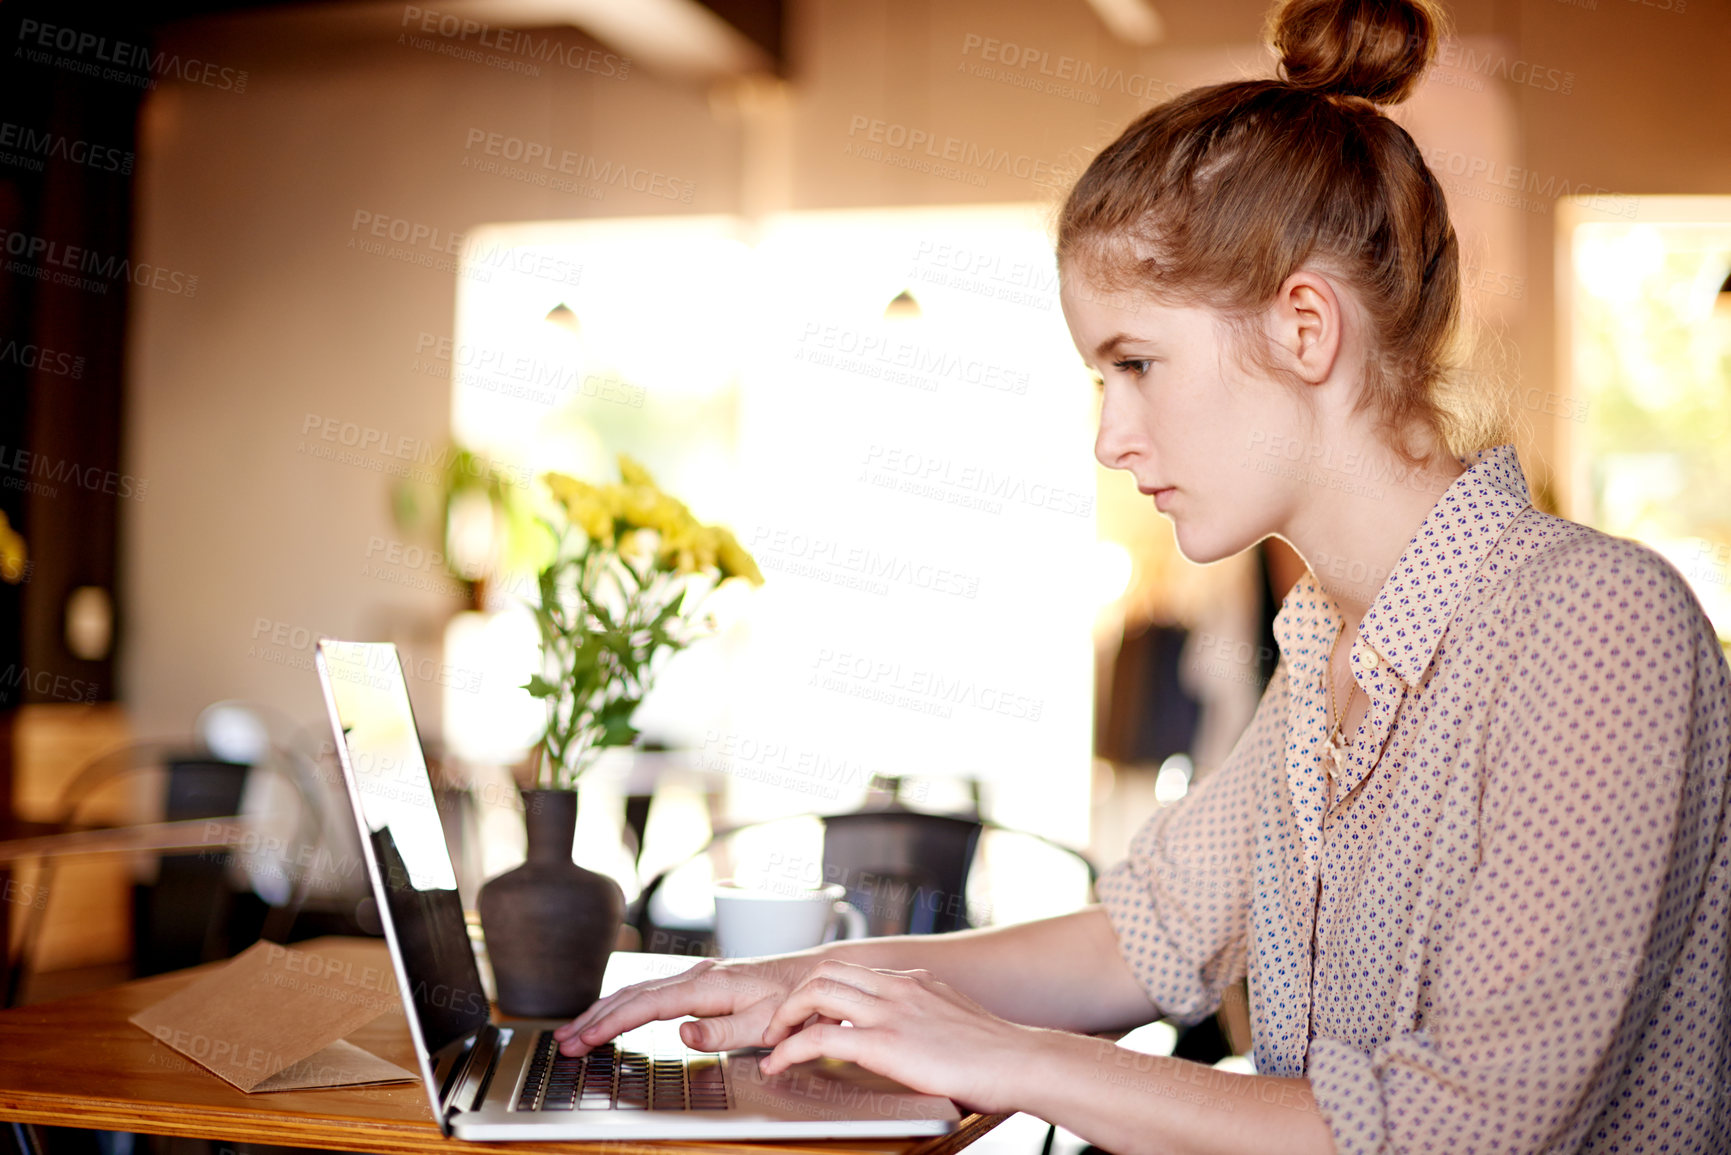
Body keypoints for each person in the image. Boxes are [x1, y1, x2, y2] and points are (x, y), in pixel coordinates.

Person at [553, 0, 1731, 1150]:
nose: (1110, 438)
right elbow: (1141, 939)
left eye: (1136, 362)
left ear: (1305, 329)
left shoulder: (1594, 623)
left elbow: (1463, 1128)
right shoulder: (1331, 638)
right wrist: (802, 981)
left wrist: (1002, 1057)